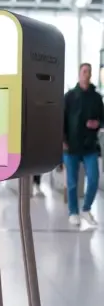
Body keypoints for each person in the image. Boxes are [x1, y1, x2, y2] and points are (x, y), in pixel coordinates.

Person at [64, 62, 104, 228]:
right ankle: (73, 212)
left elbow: (103, 119)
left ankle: (86, 209)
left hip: (90, 146)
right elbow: (61, 119)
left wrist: (98, 124)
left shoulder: (97, 98)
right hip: (71, 145)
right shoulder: (69, 96)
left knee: (94, 179)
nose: (86, 74)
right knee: (72, 182)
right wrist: (62, 140)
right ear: (79, 74)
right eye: (84, 71)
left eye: (89, 72)